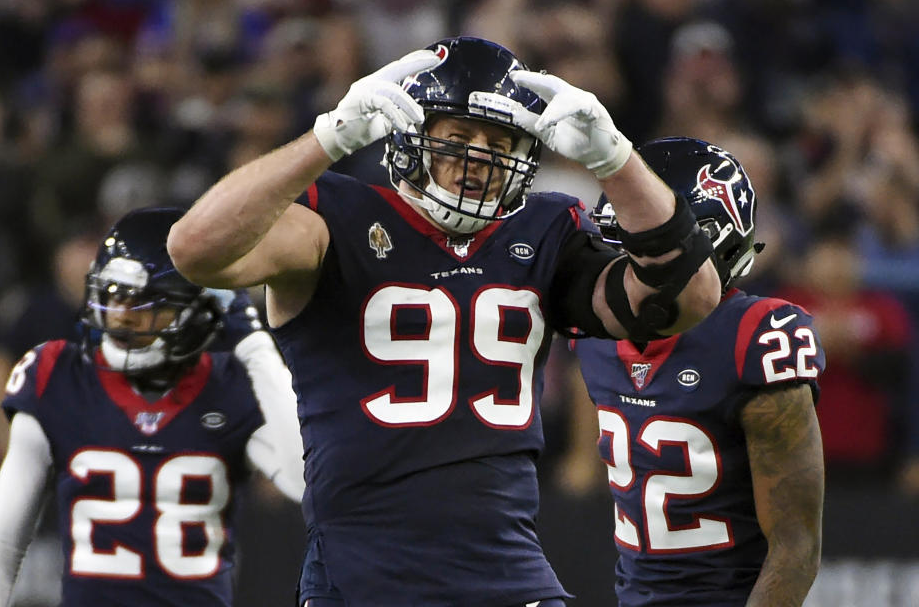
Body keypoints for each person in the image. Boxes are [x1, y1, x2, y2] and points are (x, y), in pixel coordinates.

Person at [167, 36, 721, 606]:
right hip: (363, 576)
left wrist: (617, 161)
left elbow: (693, 299)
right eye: (458, 138)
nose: (479, 157)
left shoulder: (544, 230)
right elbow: (195, 248)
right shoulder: (336, 218)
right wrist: (326, 138)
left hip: (510, 573)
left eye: (499, 141)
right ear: (410, 136)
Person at [0, 207, 305, 607]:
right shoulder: (57, 375)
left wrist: (255, 347)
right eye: (113, 297)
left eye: (144, 305)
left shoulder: (231, 383)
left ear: (192, 309)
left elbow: (307, 481)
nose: (121, 317)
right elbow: (2, 541)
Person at [575, 137, 825, 606]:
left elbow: (796, 548)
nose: (633, 261)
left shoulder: (756, 335)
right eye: (624, 238)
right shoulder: (594, 331)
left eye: (655, 245)